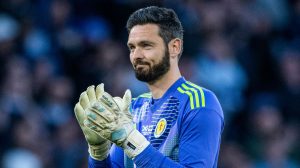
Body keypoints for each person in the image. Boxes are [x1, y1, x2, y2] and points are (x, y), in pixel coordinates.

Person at [74, 6, 224, 168]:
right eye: (132, 47)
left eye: (146, 45)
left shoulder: (199, 102)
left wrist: (131, 140)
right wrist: (98, 152)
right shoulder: (132, 108)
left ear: (175, 47)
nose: (136, 55)